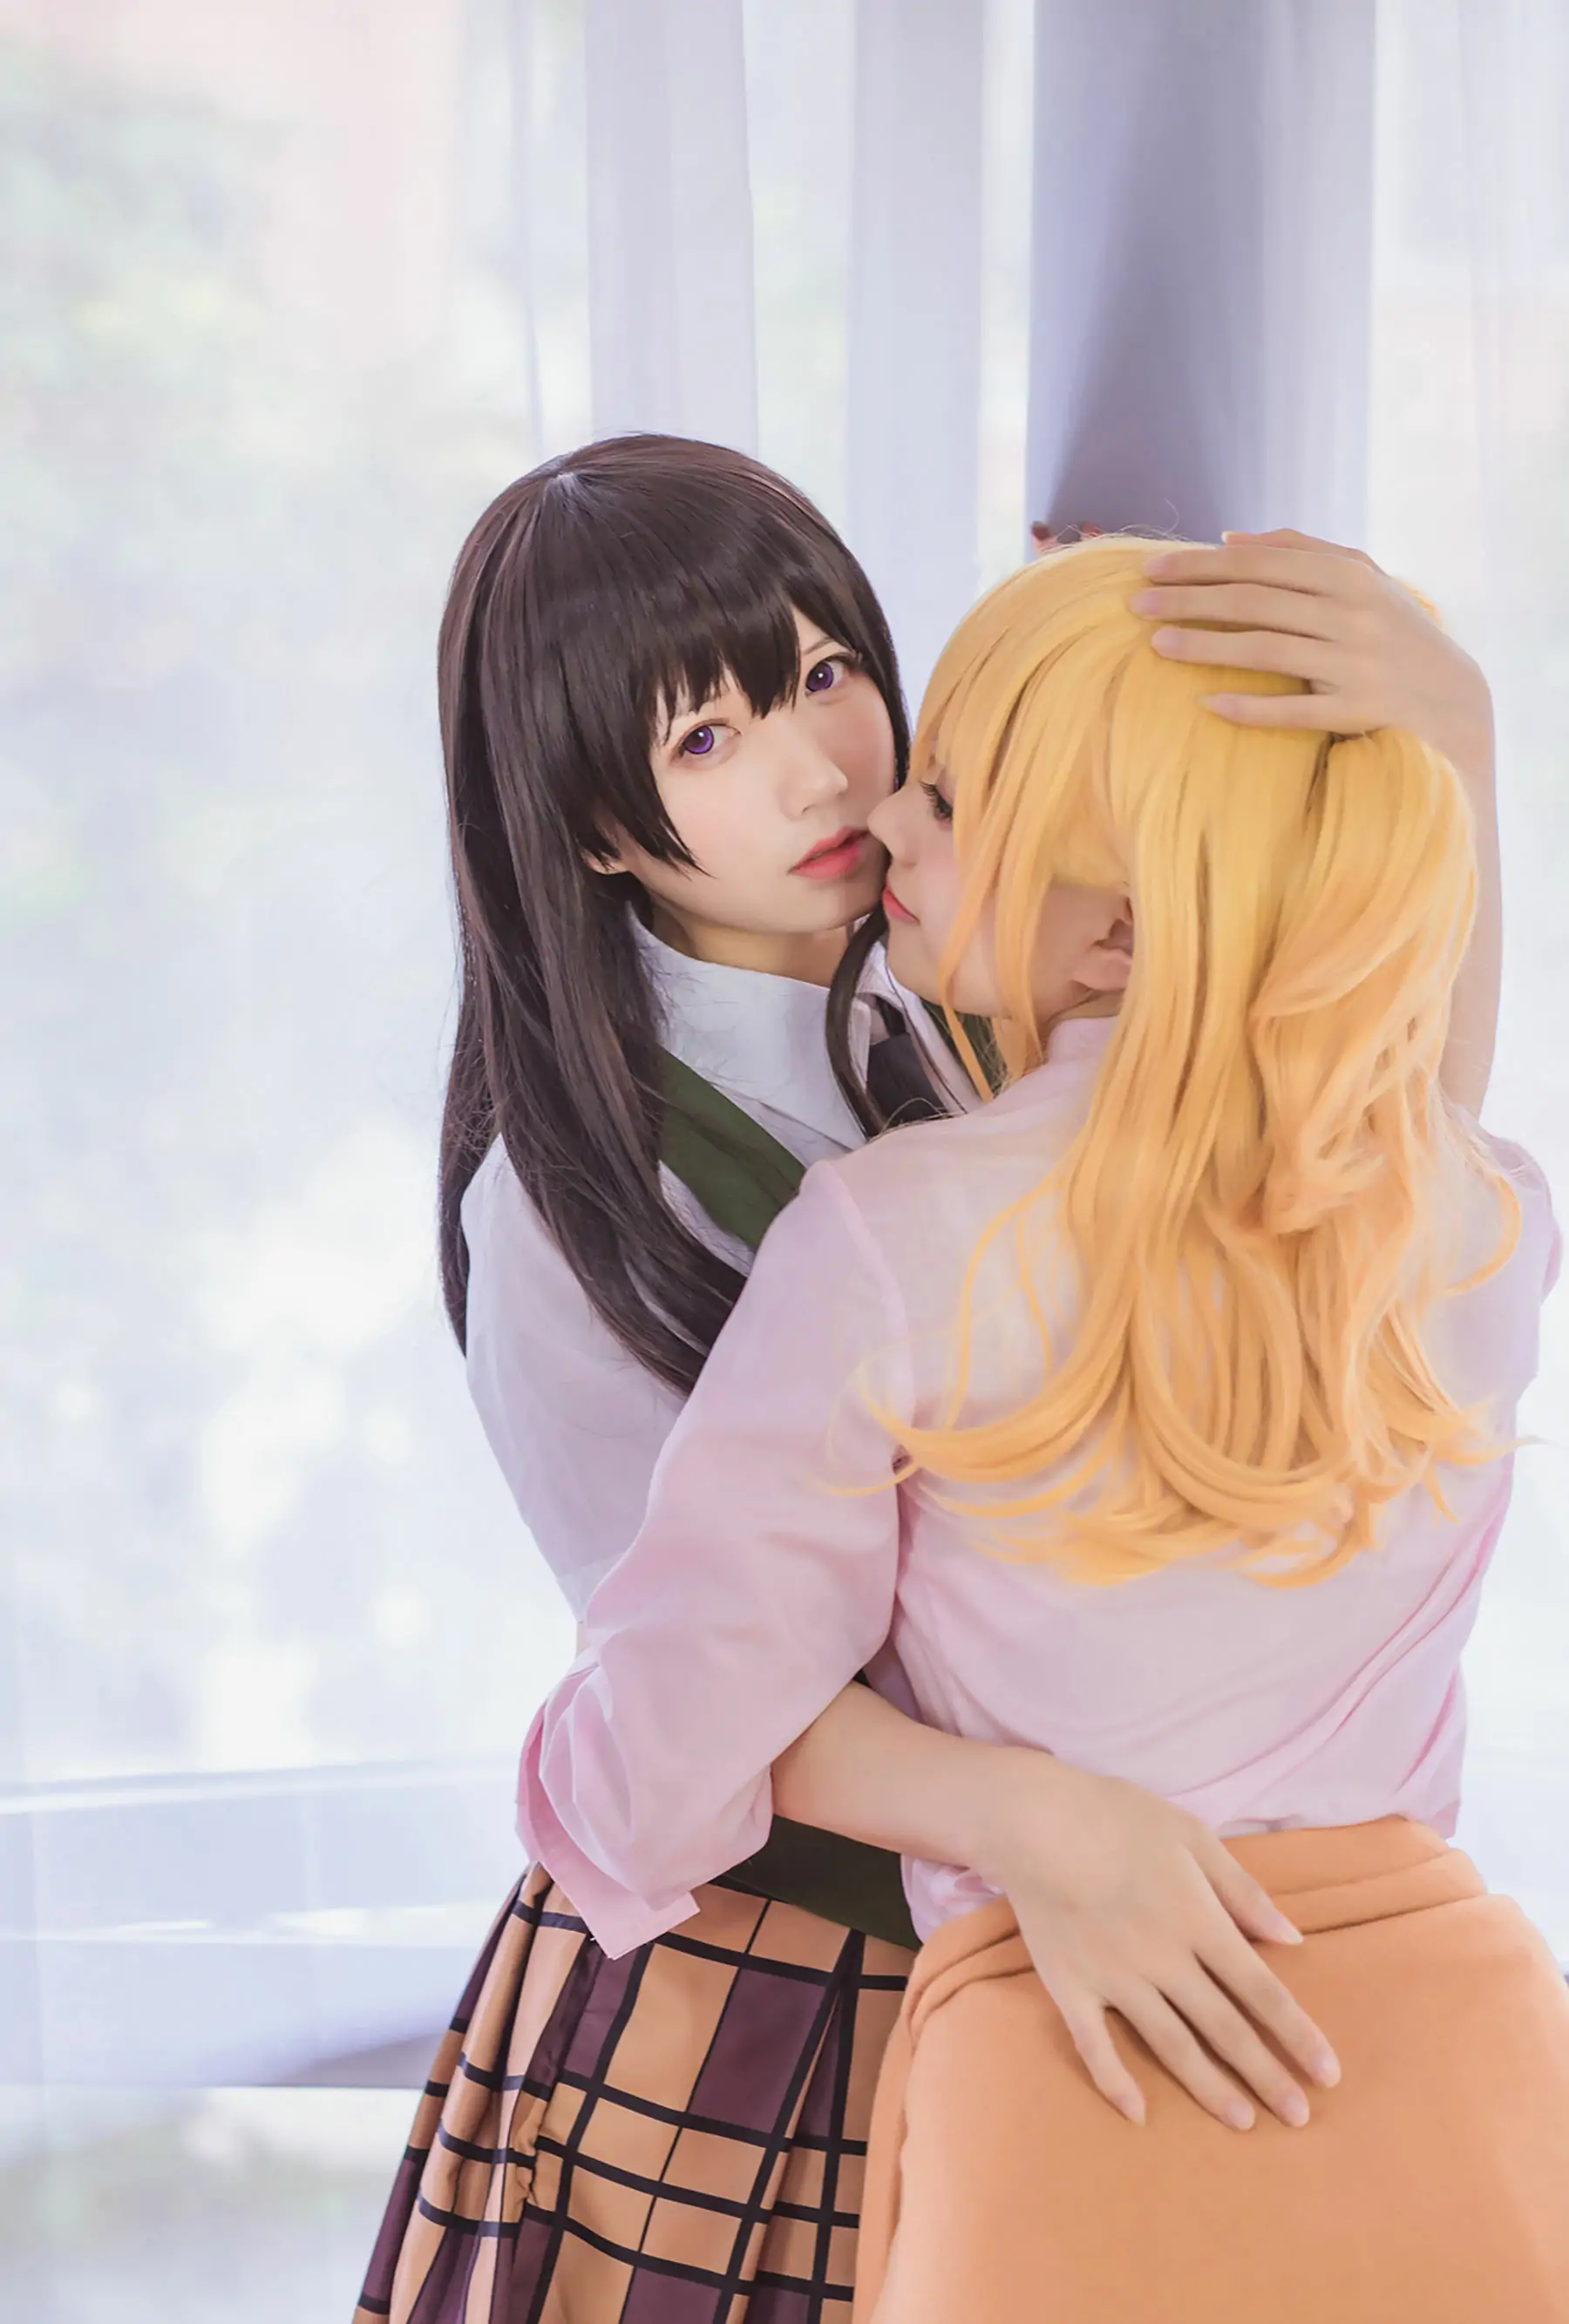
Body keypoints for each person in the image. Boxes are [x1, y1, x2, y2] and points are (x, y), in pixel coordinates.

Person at [355, 450, 1506, 2322]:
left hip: (1102, 1947)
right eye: (705, 738)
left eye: (825, 673)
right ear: (588, 827)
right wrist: (1040, 1821)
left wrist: (1453, 755)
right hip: (779, 1975)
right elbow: (692, 1681)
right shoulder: (569, 1206)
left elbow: (1365, 1174)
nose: (824, 772)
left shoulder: (989, 985)